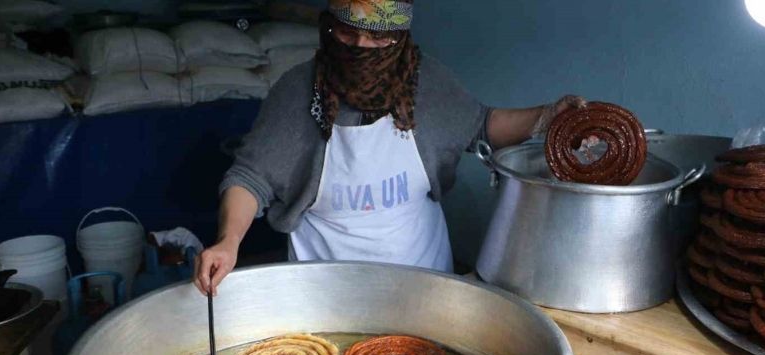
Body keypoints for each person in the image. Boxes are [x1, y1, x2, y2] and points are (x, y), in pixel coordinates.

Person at [194, 0, 586, 295]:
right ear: (328, 28)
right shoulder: (298, 92)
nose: (361, 46)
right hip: (324, 289)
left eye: (377, 37)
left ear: (398, 39)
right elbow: (250, 177)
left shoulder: (426, 82)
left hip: (422, 281)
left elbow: (480, 125)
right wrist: (229, 241)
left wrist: (548, 116)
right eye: (348, 34)